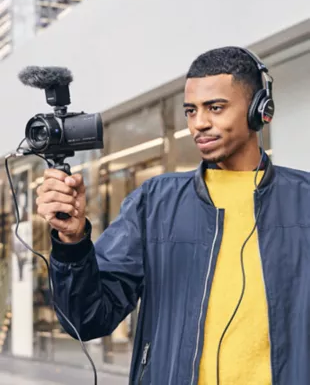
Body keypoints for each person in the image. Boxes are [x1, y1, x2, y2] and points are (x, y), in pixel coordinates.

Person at [36, 46, 310, 385]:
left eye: (216, 108)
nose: (200, 123)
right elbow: (89, 317)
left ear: (259, 111)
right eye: (191, 111)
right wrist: (72, 242)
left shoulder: (304, 199)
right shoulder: (154, 203)